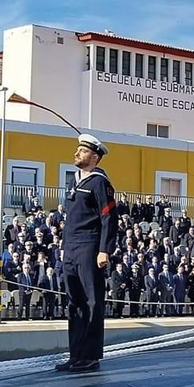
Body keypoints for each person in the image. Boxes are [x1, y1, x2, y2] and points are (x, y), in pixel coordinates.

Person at [57, 134, 116, 373]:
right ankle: (76, 354)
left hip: (89, 246)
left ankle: (90, 356)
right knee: (75, 303)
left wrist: (104, 250)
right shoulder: (77, 181)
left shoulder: (99, 182)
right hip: (71, 247)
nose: (76, 154)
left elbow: (108, 218)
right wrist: (64, 247)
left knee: (91, 301)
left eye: (82, 151)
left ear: (94, 157)